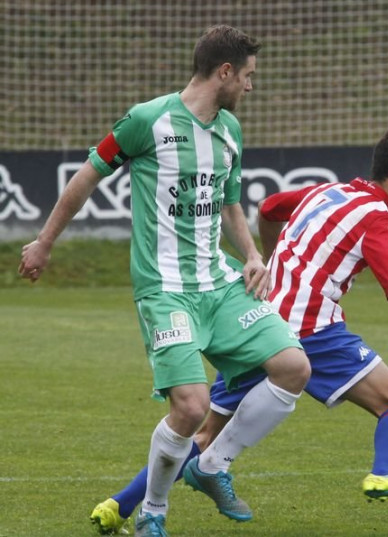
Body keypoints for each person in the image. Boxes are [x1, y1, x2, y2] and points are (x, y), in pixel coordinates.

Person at [88, 125, 388, 535]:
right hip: (311, 330)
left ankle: (118, 505)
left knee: (204, 434)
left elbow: (271, 207)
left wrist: (275, 259)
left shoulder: (325, 192)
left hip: (255, 322)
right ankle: (386, 473)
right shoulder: (377, 219)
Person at [19, 25, 311, 537]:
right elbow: (87, 175)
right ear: (224, 72)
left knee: (293, 367)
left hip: (218, 283)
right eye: (246, 77)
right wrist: (44, 241)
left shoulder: (230, 131)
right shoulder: (147, 120)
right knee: (192, 404)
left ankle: (212, 464)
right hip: (165, 287)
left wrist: (251, 253)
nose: (250, 87)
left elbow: (229, 204)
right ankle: (153, 511)